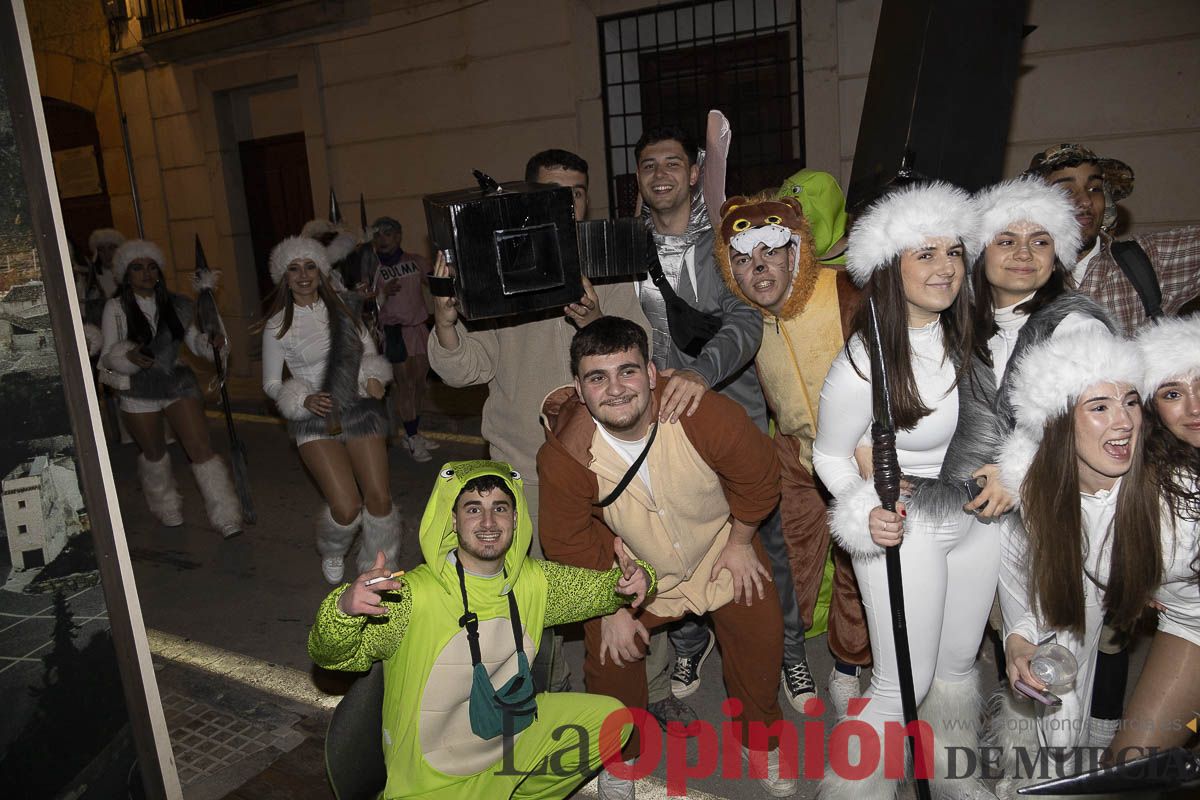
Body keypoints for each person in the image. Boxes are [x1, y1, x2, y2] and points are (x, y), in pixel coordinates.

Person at [538, 316, 794, 799]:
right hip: (633, 572)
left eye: (627, 372)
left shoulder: (701, 413)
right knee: (611, 660)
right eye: (597, 377)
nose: (615, 389)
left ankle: (758, 740)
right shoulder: (564, 456)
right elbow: (566, 542)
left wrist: (741, 543)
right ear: (579, 388)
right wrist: (610, 608)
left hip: (720, 546)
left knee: (761, 632)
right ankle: (620, 756)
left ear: (652, 374)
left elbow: (760, 477)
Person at [307, 460, 652, 799]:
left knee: (612, 720)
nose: (488, 521)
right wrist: (343, 609)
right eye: (473, 509)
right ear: (453, 521)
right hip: (431, 782)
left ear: (515, 520)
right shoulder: (413, 596)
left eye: (499, 508)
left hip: (510, 739)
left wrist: (637, 579)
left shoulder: (536, 581)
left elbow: (608, 591)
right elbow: (335, 658)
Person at [813, 182, 1002, 800]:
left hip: (976, 523)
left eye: (953, 251)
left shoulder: (973, 341)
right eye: (925, 254)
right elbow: (829, 454)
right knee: (903, 684)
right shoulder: (864, 362)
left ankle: (953, 776)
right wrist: (866, 509)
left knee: (955, 668)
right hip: (906, 526)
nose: (945, 267)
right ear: (892, 269)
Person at [966, 176, 1126, 746]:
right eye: (1006, 240)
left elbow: (1099, 429)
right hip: (1005, 523)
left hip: (1071, 521)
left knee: (1061, 679)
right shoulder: (970, 323)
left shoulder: (1075, 323)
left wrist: (1017, 470)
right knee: (1022, 655)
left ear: (1058, 253)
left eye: (1039, 241)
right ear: (980, 251)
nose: (1023, 254)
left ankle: (1063, 776)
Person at [714, 181, 871, 716]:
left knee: (858, 565)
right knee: (790, 560)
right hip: (795, 454)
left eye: (770, 250)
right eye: (744, 257)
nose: (758, 266)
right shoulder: (746, 318)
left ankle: (849, 665)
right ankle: (791, 654)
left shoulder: (846, 290)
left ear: (796, 250)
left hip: (863, 454)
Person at [989, 330, 1161, 798]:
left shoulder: (1161, 488)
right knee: (1063, 727)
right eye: (1100, 406)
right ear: (1060, 421)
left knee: (1147, 762)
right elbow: (1044, 604)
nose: (1125, 420)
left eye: (1130, 401)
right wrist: (1019, 643)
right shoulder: (1033, 501)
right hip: (1072, 603)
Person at [261, 236, 399, 584]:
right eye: (294, 268)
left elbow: (369, 354)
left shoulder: (345, 311)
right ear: (284, 276)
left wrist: (374, 379)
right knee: (346, 506)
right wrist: (301, 398)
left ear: (322, 272)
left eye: (310, 266)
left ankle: (376, 566)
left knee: (379, 498)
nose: (303, 275)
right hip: (315, 419)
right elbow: (271, 384)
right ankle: (334, 548)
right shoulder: (277, 325)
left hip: (358, 410)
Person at [98, 239, 242, 538]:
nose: (146, 273)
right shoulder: (115, 307)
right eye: (137, 268)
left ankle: (226, 514)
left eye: (151, 267)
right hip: (138, 390)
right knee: (154, 453)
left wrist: (209, 343)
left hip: (177, 383)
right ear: (126, 273)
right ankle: (165, 504)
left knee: (201, 449)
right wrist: (128, 357)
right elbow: (109, 353)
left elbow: (193, 342)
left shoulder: (177, 304)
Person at [1105, 315, 1200, 762]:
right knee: (1129, 769)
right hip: (1193, 627)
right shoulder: (1137, 472)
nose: (1194, 407)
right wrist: (1135, 581)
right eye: (1173, 393)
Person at [1026, 143, 1200, 334]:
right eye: (1067, 191)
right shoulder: (1015, 273)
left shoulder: (1149, 258)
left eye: (1094, 189)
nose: (1085, 200)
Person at [370, 216, 439, 462]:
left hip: (419, 328)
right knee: (406, 385)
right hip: (394, 333)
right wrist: (380, 294)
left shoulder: (415, 261)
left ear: (398, 236)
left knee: (420, 384)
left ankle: (414, 433)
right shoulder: (373, 268)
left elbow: (436, 279)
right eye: (377, 235)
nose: (382, 239)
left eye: (387, 233)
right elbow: (361, 303)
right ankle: (410, 437)